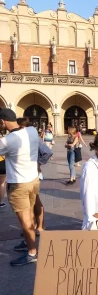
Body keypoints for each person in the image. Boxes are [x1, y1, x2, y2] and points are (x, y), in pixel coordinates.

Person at [0, 109, 40, 266]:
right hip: (33, 180)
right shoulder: (32, 130)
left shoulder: (7, 140)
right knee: (29, 214)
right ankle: (27, 242)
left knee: (25, 221)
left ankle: (32, 253)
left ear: (3, 122)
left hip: (19, 185)